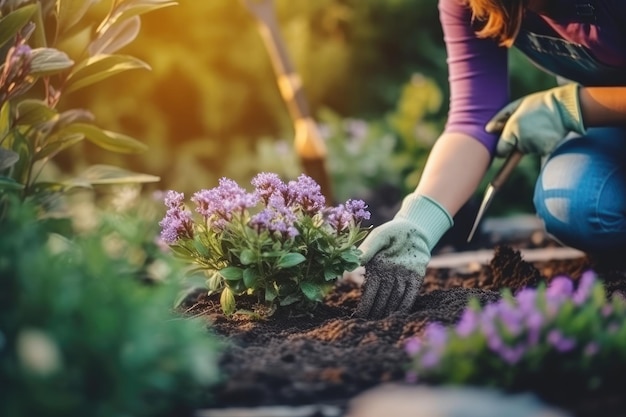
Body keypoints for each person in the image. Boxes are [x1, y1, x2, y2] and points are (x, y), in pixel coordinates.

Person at [355, 0, 626, 319]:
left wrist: (574, 106)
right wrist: (416, 223)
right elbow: (473, 119)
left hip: (596, 108)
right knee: (579, 206)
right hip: (610, 123)